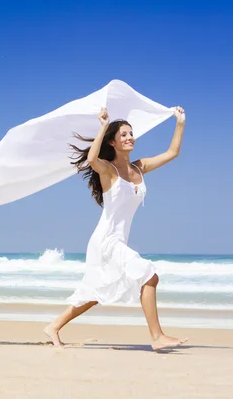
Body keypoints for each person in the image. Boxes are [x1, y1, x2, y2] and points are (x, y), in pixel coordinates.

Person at [43, 105, 187, 350]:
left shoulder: (139, 168)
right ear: (112, 142)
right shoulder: (108, 171)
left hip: (118, 240)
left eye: (131, 133)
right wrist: (102, 128)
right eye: (123, 134)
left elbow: (172, 152)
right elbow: (91, 159)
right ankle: (157, 337)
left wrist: (180, 123)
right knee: (149, 275)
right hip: (106, 240)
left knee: (97, 293)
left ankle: (54, 326)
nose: (130, 137)